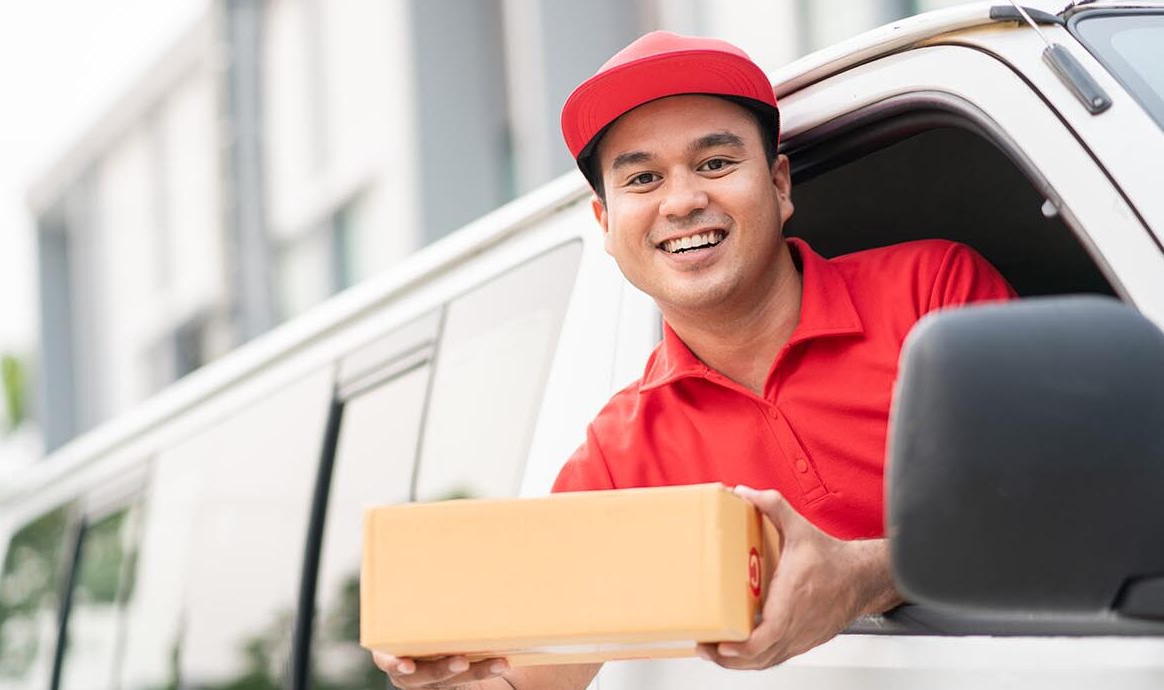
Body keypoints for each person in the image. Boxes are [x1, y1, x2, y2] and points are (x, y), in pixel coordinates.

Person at [373, 31, 1016, 688]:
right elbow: (532, 674)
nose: (681, 201)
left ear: (778, 183)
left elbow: (1040, 502)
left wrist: (864, 576)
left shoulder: (931, 293)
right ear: (605, 223)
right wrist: (447, 671)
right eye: (644, 178)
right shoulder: (621, 453)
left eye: (713, 164)